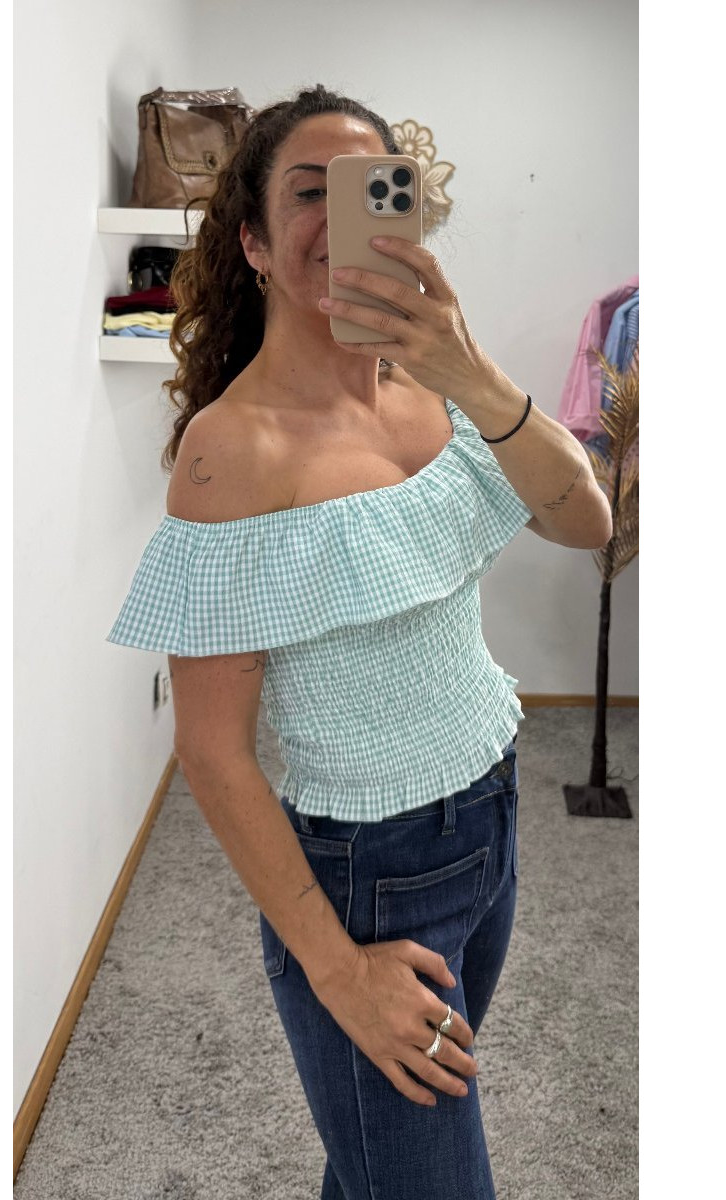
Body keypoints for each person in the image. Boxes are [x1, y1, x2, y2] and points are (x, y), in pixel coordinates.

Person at [107, 84, 611, 1200]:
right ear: (251, 241)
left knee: (380, 1167)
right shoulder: (231, 451)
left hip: (492, 817)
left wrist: (467, 369)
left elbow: (588, 522)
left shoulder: (434, 391)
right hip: (369, 875)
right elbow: (213, 752)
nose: (339, 218)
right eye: (308, 192)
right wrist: (336, 972)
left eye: (370, 189)